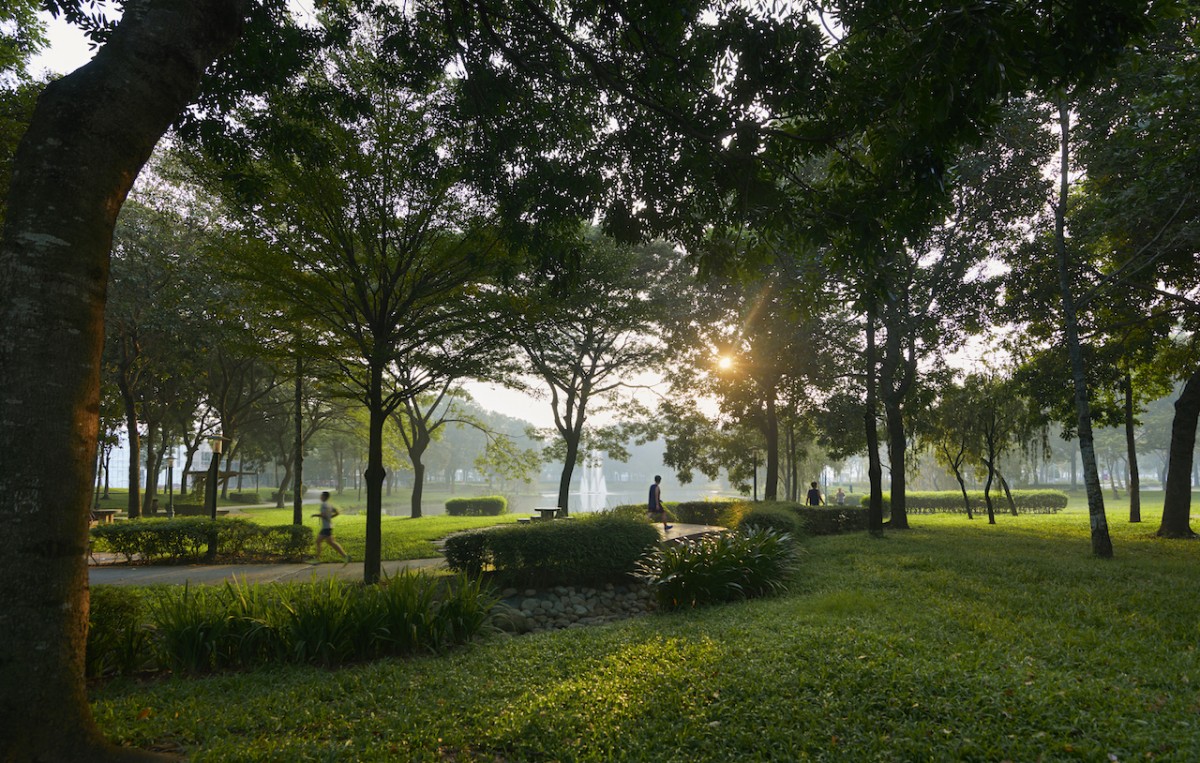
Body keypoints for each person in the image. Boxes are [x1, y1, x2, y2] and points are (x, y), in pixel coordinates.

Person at [311, 491, 350, 563]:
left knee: (318, 541)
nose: (320, 497)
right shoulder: (329, 505)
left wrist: (315, 515)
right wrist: (330, 517)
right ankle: (345, 556)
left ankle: (317, 559)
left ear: (324, 497)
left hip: (326, 527)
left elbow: (323, 515)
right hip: (328, 526)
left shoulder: (323, 505)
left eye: (321, 496)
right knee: (331, 543)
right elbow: (337, 512)